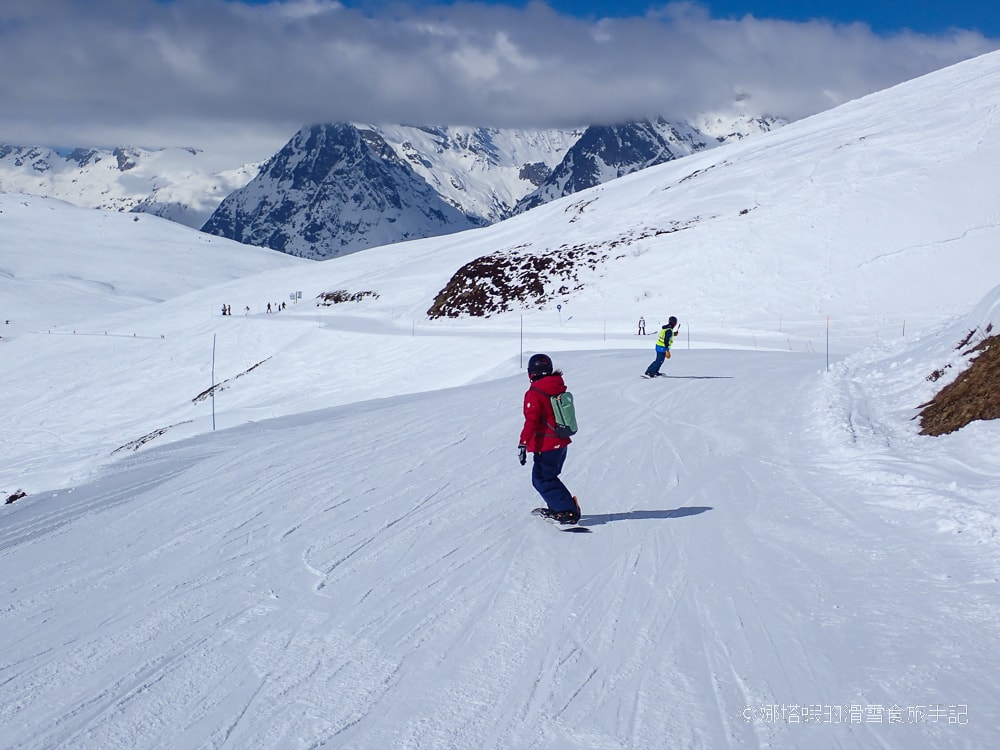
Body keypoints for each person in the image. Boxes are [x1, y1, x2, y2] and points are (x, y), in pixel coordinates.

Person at [518, 353, 581, 524]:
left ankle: (567, 511)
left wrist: (523, 444)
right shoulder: (556, 385)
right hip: (561, 441)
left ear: (531, 372)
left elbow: (531, 421)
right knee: (548, 476)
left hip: (547, 444)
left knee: (542, 479)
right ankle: (559, 506)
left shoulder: (534, 392)